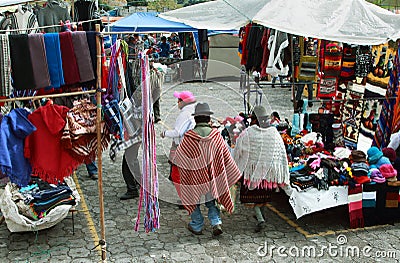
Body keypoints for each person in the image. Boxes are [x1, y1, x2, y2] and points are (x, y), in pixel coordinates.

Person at [174, 102, 242, 236]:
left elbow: (179, 158)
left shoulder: (189, 137)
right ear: (208, 119)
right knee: (211, 201)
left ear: (195, 119)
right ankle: (216, 222)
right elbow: (226, 157)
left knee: (193, 200)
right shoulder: (216, 136)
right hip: (212, 178)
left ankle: (197, 225)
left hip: (194, 179)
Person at [233, 105, 289, 232]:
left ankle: (260, 219)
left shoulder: (247, 133)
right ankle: (261, 215)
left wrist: (235, 168)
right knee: (264, 197)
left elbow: (238, 151)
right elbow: (281, 152)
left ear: (253, 119)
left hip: (253, 175)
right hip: (269, 174)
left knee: (255, 198)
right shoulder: (273, 132)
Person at [160, 91, 197, 203]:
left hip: (183, 146)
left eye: (179, 100)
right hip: (191, 145)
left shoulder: (184, 114)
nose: (177, 102)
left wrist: (165, 133)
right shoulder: (193, 110)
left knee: (178, 174)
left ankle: (184, 198)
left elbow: (178, 132)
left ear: (183, 102)